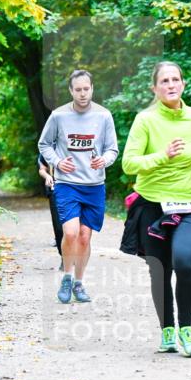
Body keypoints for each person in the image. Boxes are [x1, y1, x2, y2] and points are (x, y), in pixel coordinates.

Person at [120, 61, 191, 357]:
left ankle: (186, 330)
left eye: (175, 79)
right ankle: (167, 329)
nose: (171, 85)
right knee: (159, 270)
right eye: (164, 81)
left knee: (184, 261)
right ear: (155, 88)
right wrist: (162, 156)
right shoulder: (145, 120)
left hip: (190, 206)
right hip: (152, 206)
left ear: (183, 84)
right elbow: (129, 164)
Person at [38, 70, 119, 304]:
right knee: (71, 232)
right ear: (71, 91)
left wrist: (104, 160)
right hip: (67, 184)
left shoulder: (104, 116)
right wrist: (57, 161)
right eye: (78, 89)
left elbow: (112, 149)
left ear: (92, 89)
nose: (83, 94)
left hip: (94, 185)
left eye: (86, 89)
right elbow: (44, 144)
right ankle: (66, 277)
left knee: (84, 237)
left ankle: (79, 283)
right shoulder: (58, 116)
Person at [37, 153, 64, 264]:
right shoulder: (47, 149)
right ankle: (64, 256)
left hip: (74, 188)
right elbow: (42, 169)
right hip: (55, 189)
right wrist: (47, 176)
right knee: (58, 227)